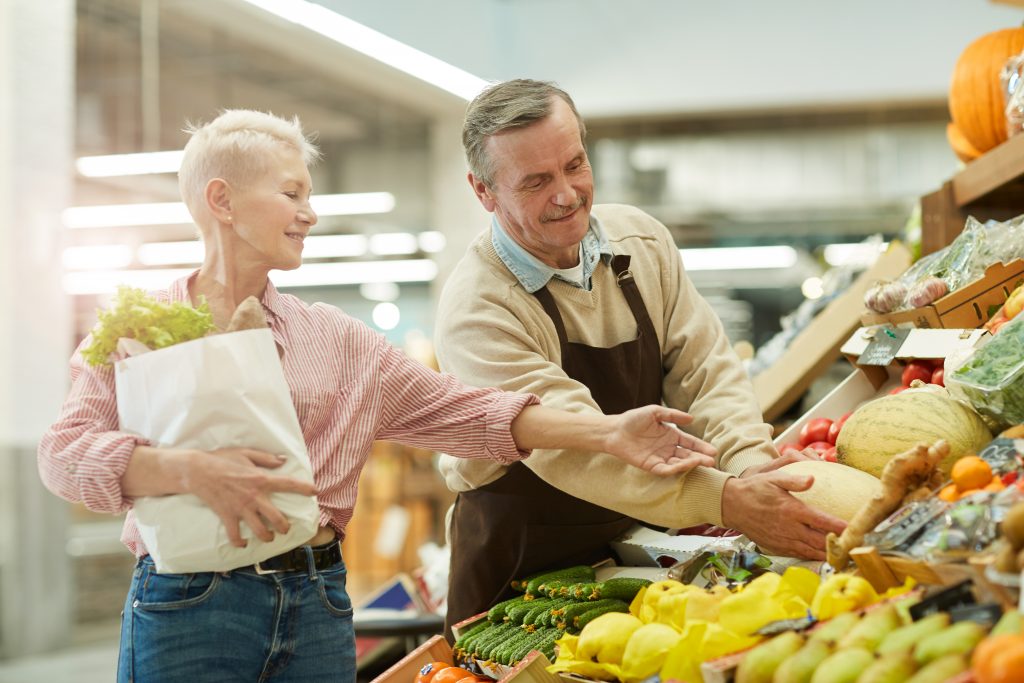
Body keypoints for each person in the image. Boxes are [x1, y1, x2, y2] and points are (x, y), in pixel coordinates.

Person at [37, 110, 719, 683]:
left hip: (315, 599)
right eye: (292, 193)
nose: (310, 213)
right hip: (187, 602)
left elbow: (470, 412)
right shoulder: (136, 330)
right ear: (221, 200)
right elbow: (63, 455)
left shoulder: (336, 340)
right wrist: (183, 470)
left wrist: (609, 431)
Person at [434, 79, 849, 631]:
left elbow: (705, 373)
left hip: (640, 538)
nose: (567, 193)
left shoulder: (642, 243)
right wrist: (729, 500)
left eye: (575, 164)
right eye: (536, 182)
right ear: (483, 192)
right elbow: (574, 446)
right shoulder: (478, 307)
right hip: (520, 554)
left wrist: (752, 465)